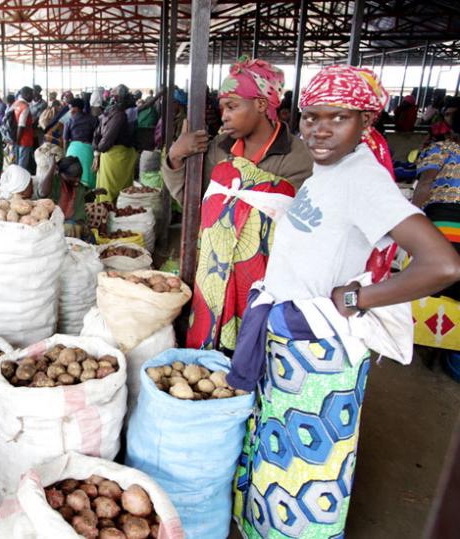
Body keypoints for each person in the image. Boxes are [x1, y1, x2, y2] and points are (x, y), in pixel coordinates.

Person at [230, 65, 460, 539]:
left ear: (366, 123)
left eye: (339, 117)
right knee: (278, 458)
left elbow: (442, 264)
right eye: (312, 116)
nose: (320, 128)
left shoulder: (364, 180)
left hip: (320, 354)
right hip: (291, 341)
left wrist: (357, 297)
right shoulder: (326, 172)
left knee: (305, 472)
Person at [164, 58, 313, 353]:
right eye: (223, 108)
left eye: (232, 107)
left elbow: (299, 226)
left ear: (260, 104)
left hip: (265, 276)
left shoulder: (297, 157)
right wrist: (176, 157)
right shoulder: (218, 149)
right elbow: (194, 205)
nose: (225, 116)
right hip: (213, 272)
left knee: (254, 344)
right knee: (210, 347)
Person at [412, 108, 460, 299]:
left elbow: (425, 184)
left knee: (433, 281)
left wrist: (412, 216)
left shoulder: (440, 149)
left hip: (442, 220)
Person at [36, 156, 105, 238]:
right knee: (71, 228)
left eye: (80, 176)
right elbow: (42, 192)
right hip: (55, 225)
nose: (78, 180)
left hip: (76, 224)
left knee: (90, 235)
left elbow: (81, 200)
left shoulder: (79, 188)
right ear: (62, 174)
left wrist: (93, 193)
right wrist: (52, 167)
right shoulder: (54, 183)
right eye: (74, 176)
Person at [92, 84, 138, 202]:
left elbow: (99, 136)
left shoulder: (110, 114)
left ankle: (108, 212)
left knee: (109, 188)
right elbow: (105, 140)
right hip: (115, 157)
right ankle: (110, 212)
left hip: (112, 156)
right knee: (114, 191)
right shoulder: (118, 115)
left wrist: (97, 150)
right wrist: (98, 150)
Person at [64, 98, 99, 189]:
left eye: (70, 108)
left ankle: (73, 198)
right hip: (88, 150)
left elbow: (65, 139)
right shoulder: (93, 119)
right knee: (87, 176)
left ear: (76, 108)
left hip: (73, 150)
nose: (70, 111)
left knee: (71, 176)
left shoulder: (69, 121)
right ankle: (89, 197)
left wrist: (65, 154)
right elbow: (97, 137)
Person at [13, 86, 36, 173]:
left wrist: (16, 140)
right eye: (31, 95)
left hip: (17, 137)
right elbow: (21, 125)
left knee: (18, 161)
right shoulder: (25, 107)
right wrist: (18, 140)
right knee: (22, 164)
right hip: (24, 139)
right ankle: (20, 183)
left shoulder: (16, 103)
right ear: (26, 95)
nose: (32, 97)